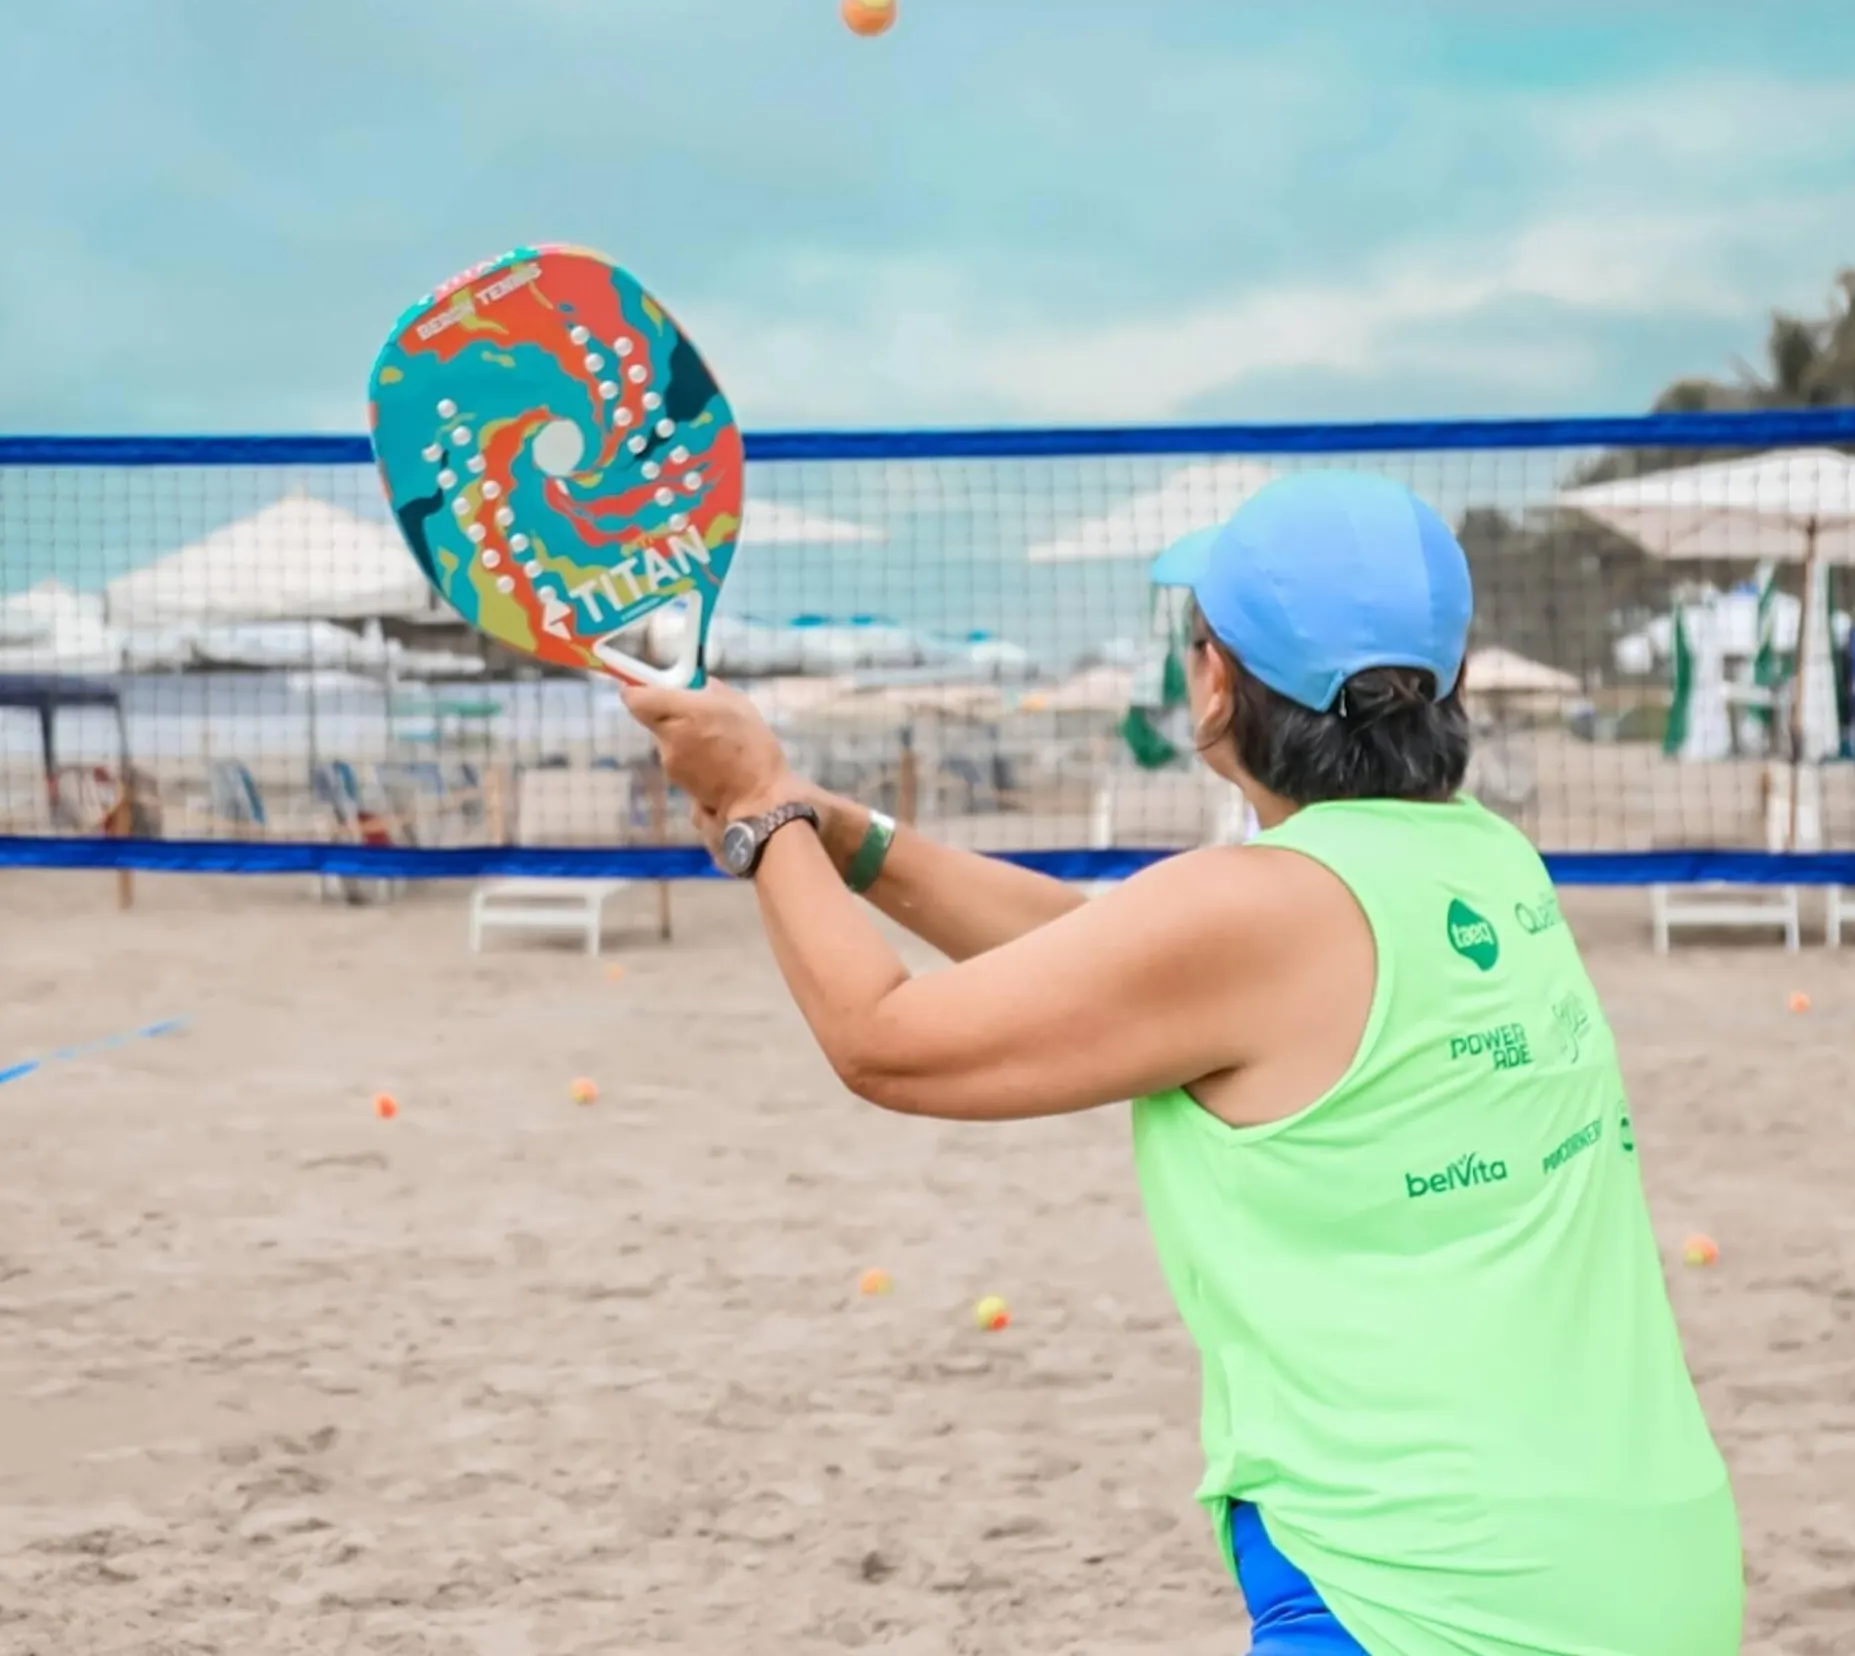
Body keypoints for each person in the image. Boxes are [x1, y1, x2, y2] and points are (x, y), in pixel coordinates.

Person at [621, 469, 1744, 1656]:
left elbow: (883, 1042)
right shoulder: (1490, 861)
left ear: (1216, 682)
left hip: (1427, 1596)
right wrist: (842, 838)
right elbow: (1103, 952)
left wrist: (756, 809)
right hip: (1652, 1566)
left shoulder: (1258, 909)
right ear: (1452, 682)